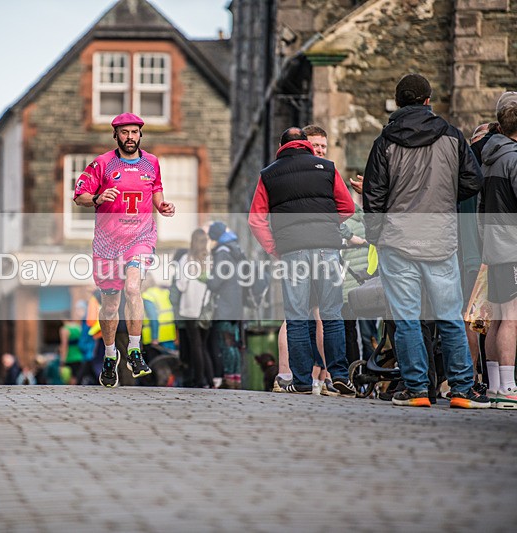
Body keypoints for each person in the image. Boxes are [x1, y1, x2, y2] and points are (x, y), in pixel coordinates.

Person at [362, 73, 488, 408]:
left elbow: (373, 196)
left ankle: (417, 389)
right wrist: (445, 199)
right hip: (439, 237)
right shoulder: (452, 136)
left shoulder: (386, 141)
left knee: (407, 320)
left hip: (397, 239)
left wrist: (376, 236)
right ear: (428, 101)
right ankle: (461, 389)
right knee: (449, 316)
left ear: (398, 102)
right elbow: (473, 180)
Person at [249, 127, 357, 396]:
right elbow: (347, 207)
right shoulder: (327, 168)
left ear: (281, 145)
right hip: (327, 249)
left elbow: (256, 220)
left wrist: (274, 248)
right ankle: (339, 375)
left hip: (292, 251)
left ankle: (301, 381)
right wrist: (326, 224)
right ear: (305, 144)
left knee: (297, 318)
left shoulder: (268, 174)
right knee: (332, 315)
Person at [73, 113, 175, 387]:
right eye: (124, 132)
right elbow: (80, 196)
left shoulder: (151, 162)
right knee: (110, 304)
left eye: (134, 132)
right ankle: (110, 355)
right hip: (107, 243)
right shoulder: (103, 163)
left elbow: (156, 190)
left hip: (140, 237)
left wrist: (162, 206)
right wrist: (97, 197)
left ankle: (134, 350)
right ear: (115, 135)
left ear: (140, 134)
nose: (130, 137)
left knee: (132, 289)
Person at [479, 92, 517, 410]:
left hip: (493, 245)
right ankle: (507, 386)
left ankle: (494, 385)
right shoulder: (514, 158)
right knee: (511, 318)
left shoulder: (489, 155)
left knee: (496, 319)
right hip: (511, 246)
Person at [205, 222, 245, 389]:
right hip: (236, 303)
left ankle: (229, 378)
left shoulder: (222, 252)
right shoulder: (234, 248)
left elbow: (216, 281)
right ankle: (236, 377)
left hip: (225, 304)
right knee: (233, 342)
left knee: (226, 342)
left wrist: (207, 280)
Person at [176, 229, 211, 388]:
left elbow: (181, 285)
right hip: (206, 308)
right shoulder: (210, 259)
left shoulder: (186, 259)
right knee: (203, 345)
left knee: (195, 345)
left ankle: (199, 380)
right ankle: (209, 380)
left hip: (190, 307)